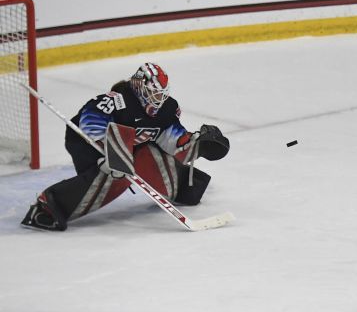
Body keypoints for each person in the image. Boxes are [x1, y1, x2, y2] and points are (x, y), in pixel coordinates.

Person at [21, 63, 230, 231]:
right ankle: (48, 208)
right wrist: (106, 152)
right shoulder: (117, 101)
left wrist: (192, 143)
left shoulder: (166, 108)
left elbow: (171, 138)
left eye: (161, 95)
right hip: (86, 145)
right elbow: (90, 122)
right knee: (114, 174)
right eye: (154, 94)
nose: (159, 100)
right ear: (140, 86)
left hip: (129, 147)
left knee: (148, 158)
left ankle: (184, 188)